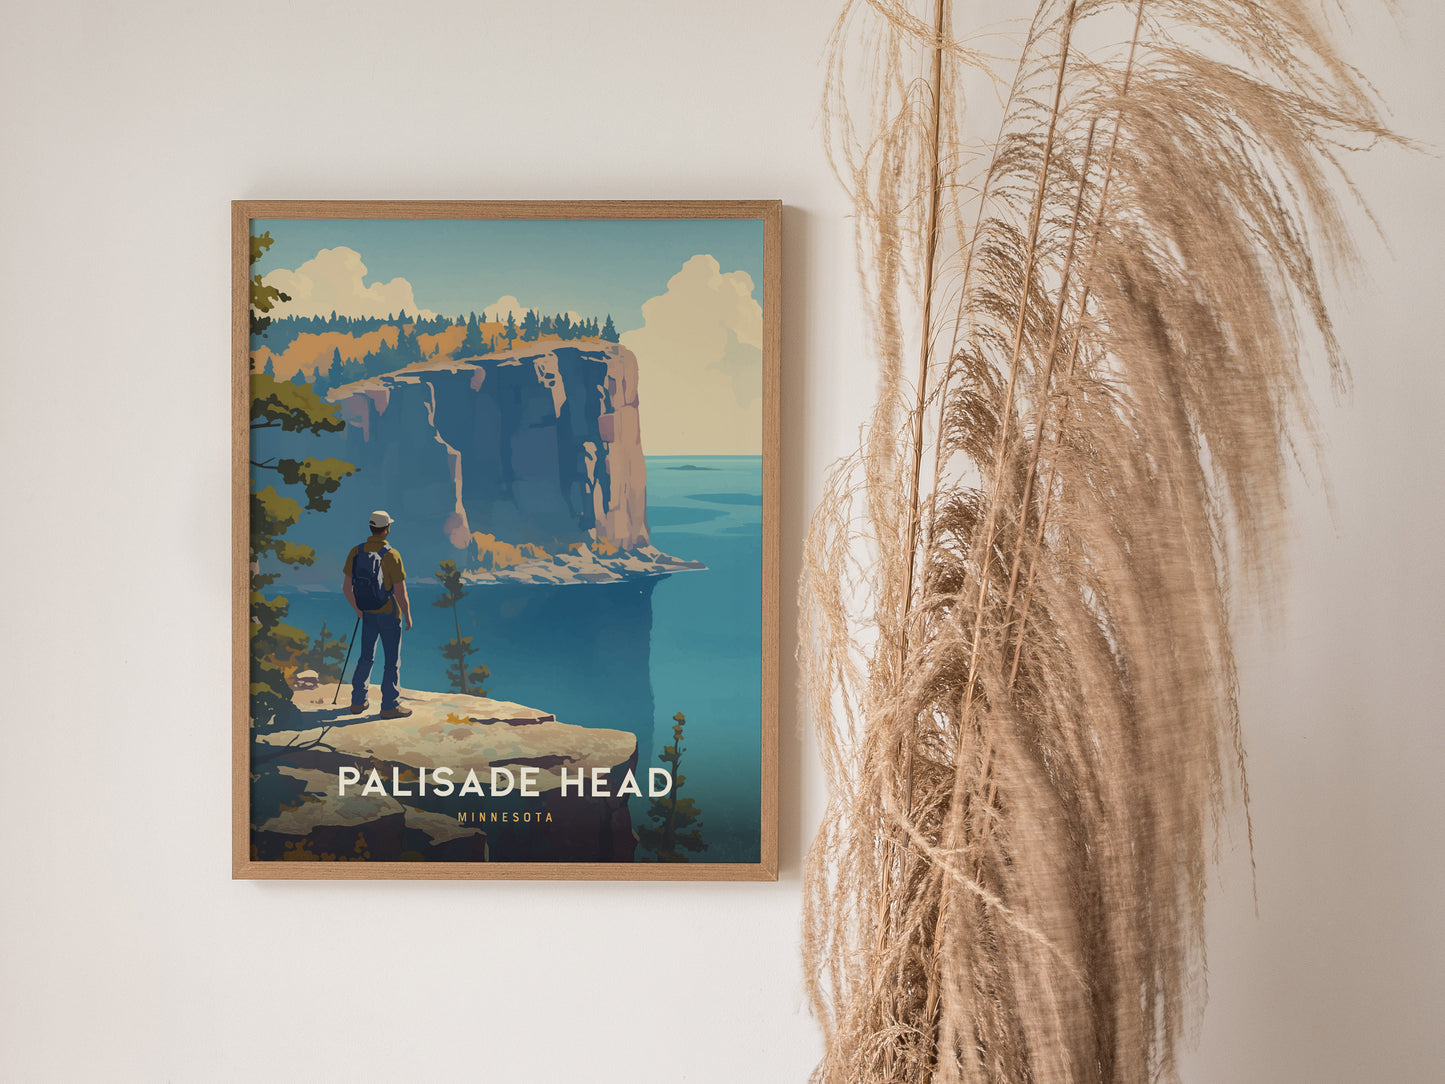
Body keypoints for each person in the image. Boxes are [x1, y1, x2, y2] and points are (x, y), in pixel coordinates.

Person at [342, 510, 414, 718]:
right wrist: (407, 615)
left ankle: (358, 702)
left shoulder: (356, 552)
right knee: (392, 661)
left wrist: (358, 609)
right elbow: (400, 592)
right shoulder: (392, 555)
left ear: (371, 527)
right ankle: (389, 706)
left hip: (367, 613)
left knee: (366, 657)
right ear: (387, 529)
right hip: (390, 614)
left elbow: (347, 587)